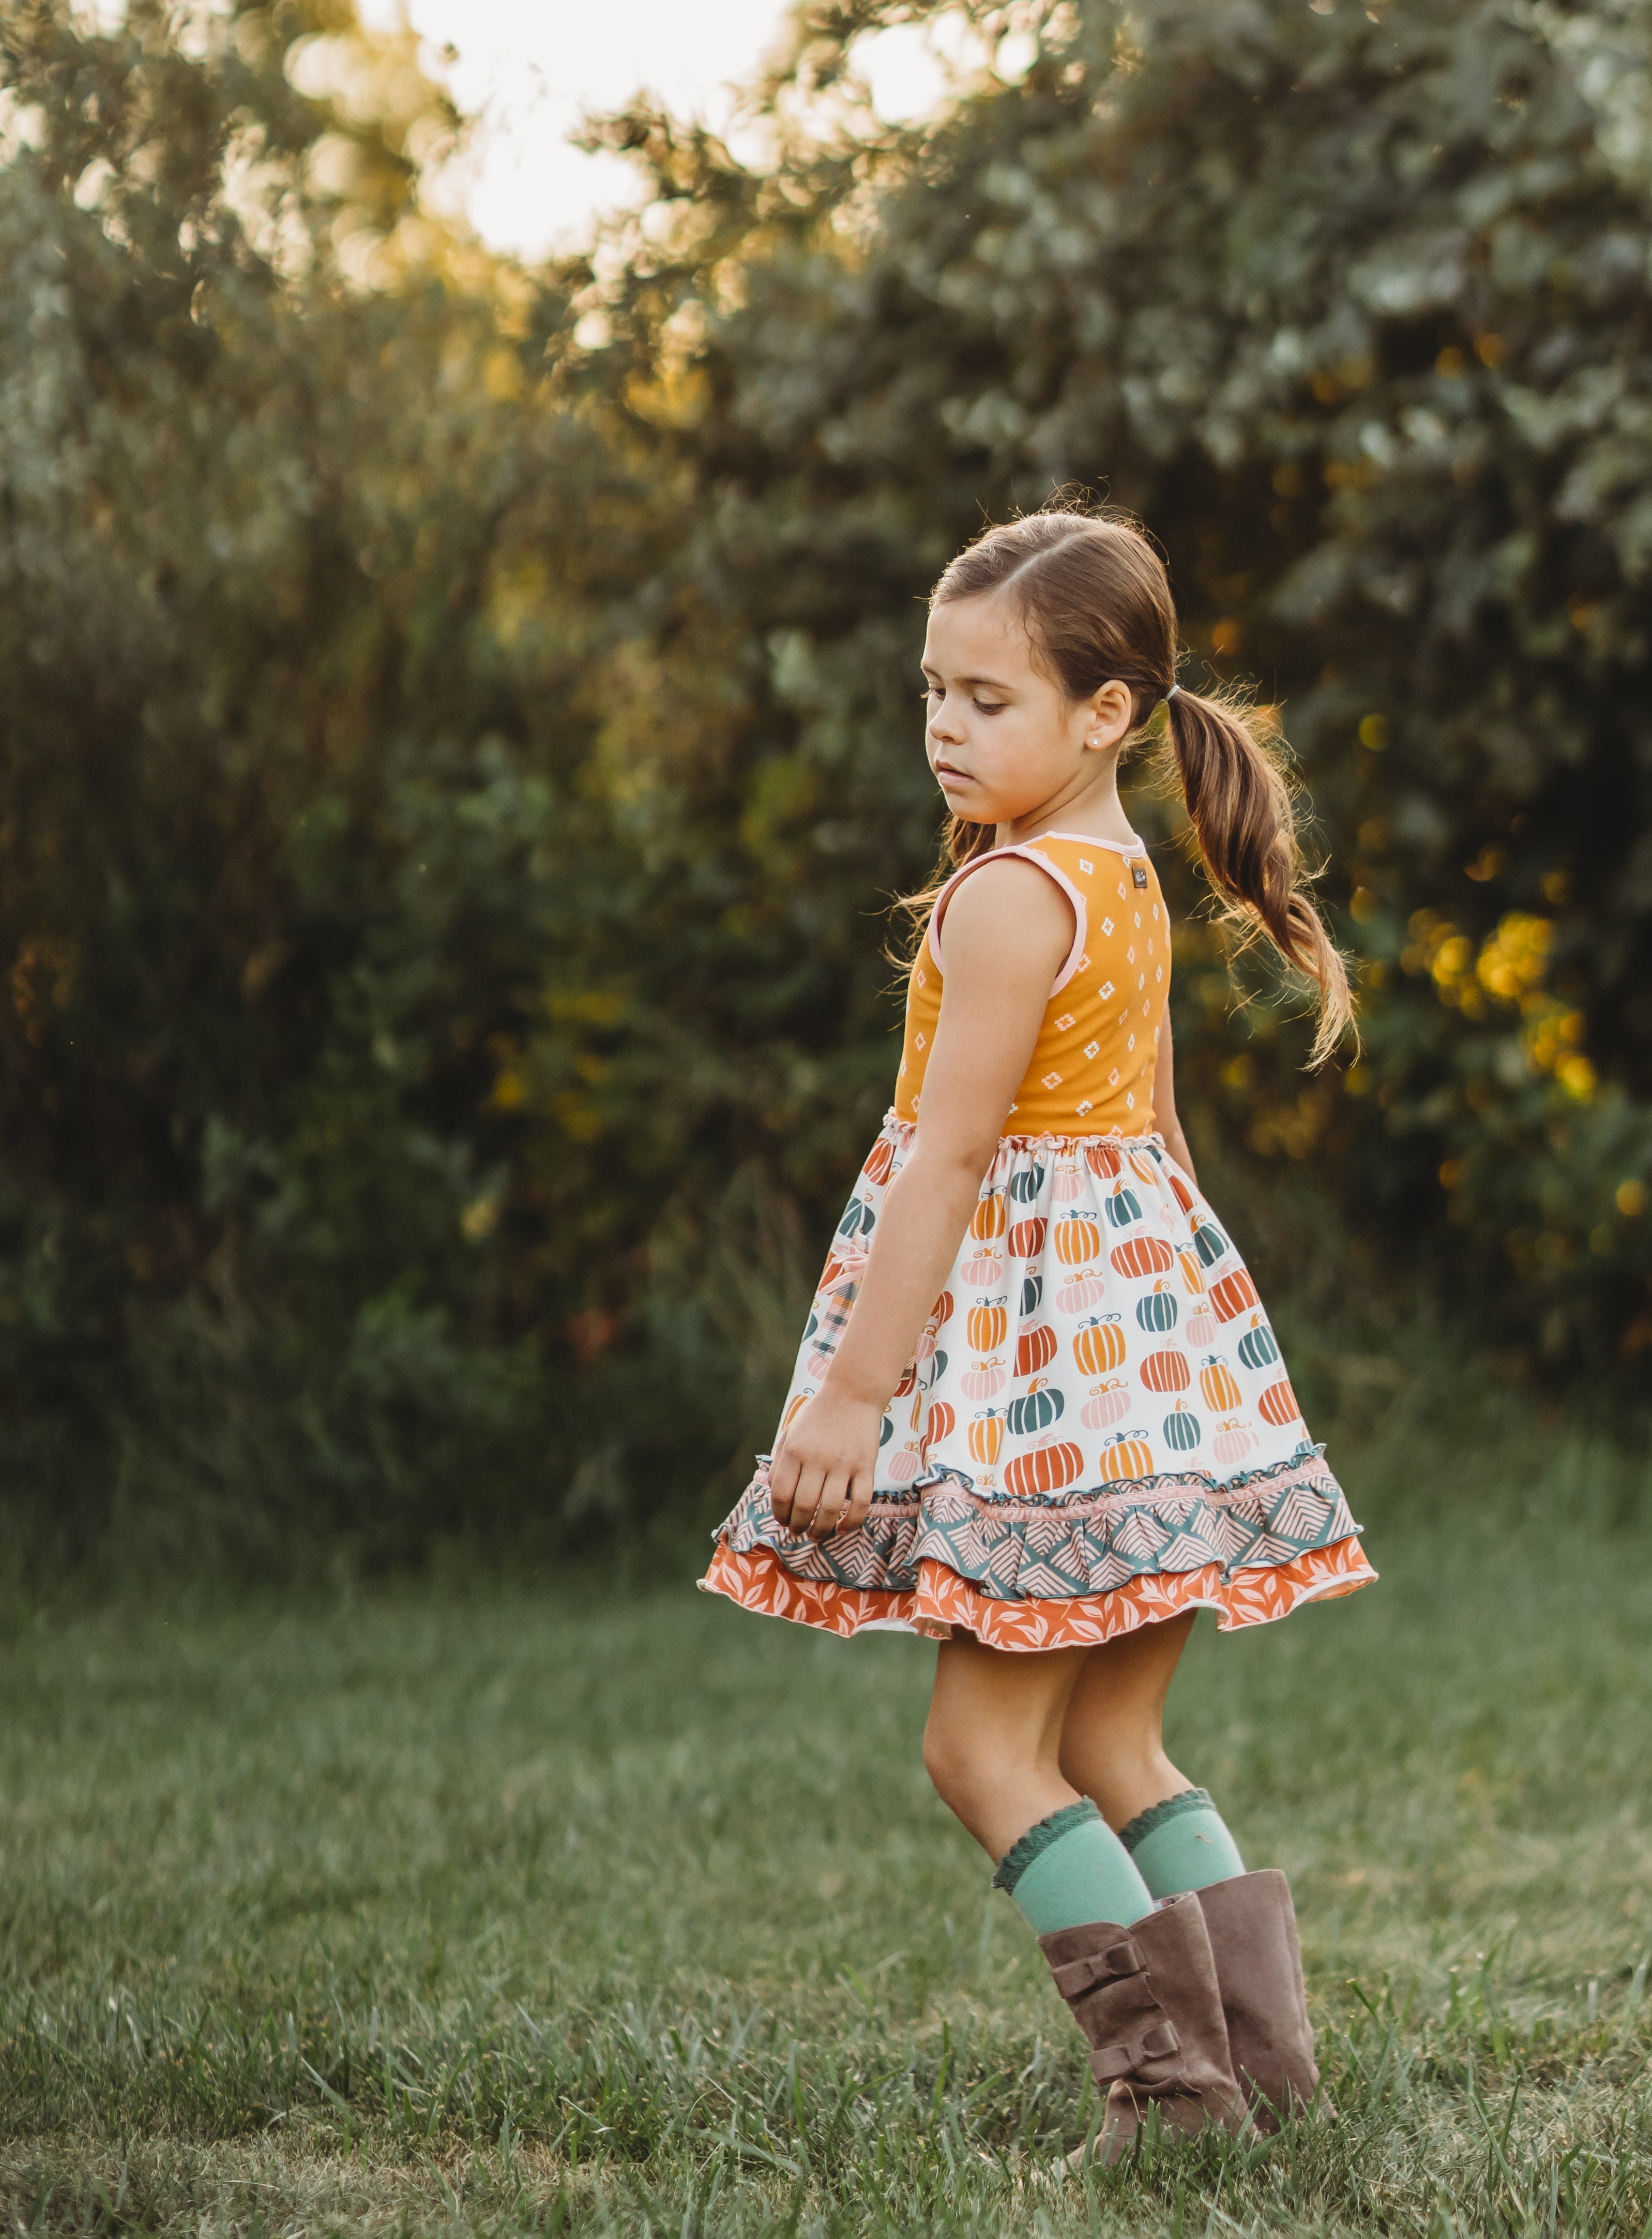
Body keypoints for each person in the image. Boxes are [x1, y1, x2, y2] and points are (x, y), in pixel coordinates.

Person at [701, 506, 1376, 2161]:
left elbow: (948, 1160)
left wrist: (852, 1394)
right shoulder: (1119, 874)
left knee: (980, 1745)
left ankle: (1176, 2097)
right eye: (932, 691)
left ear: (1102, 713)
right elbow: (1158, 1143)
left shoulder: (1006, 897)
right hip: (1141, 1355)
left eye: (986, 698)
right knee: (1108, 1736)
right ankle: (1263, 2075)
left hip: (1048, 1378)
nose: (943, 725)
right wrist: (1202, 1366)